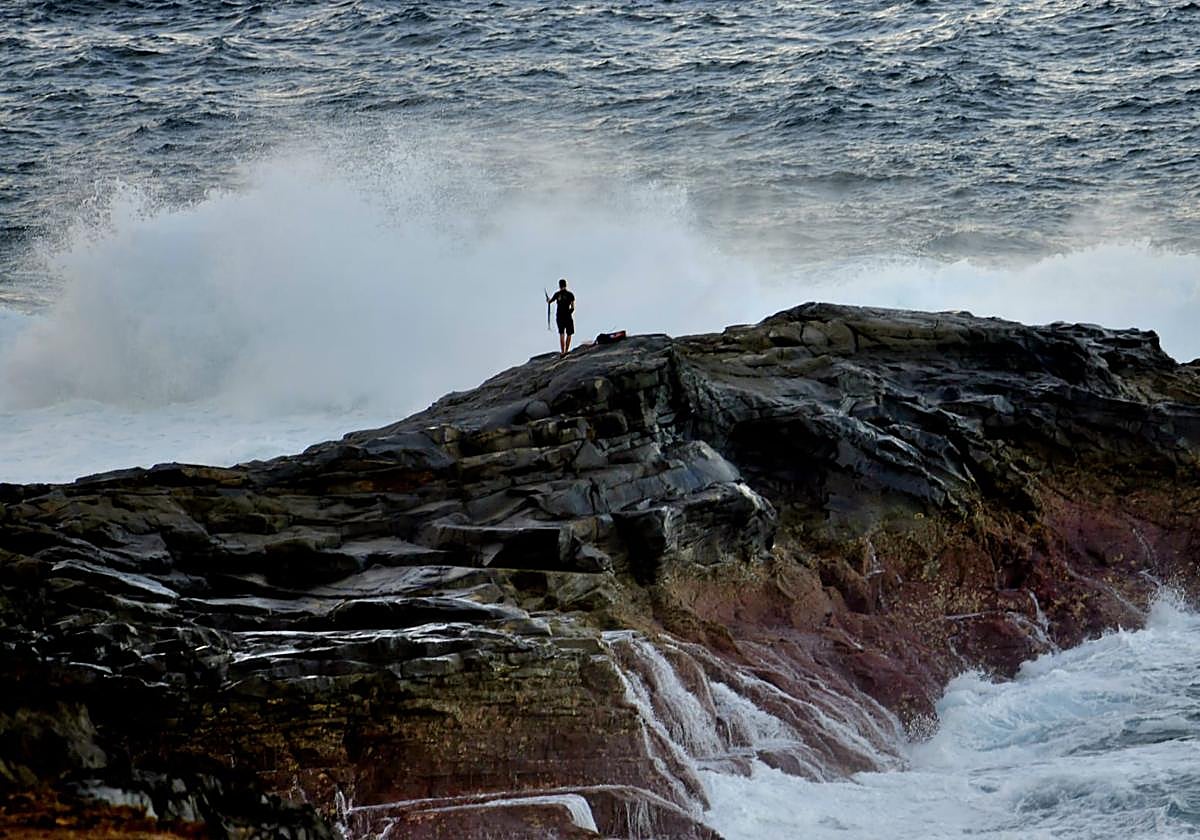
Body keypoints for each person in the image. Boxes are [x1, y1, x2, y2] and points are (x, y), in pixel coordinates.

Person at [546, 278, 576, 357]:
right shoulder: (570, 294)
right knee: (569, 333)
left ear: (559, 286)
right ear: (566, 285)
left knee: (561, 333)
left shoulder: (557, 294)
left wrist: (548, 300)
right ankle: (566, 350)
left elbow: (550, 301)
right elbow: (572, 307)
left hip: (559, 316)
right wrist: (569, 313)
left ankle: (562, 351)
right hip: (568, 316)